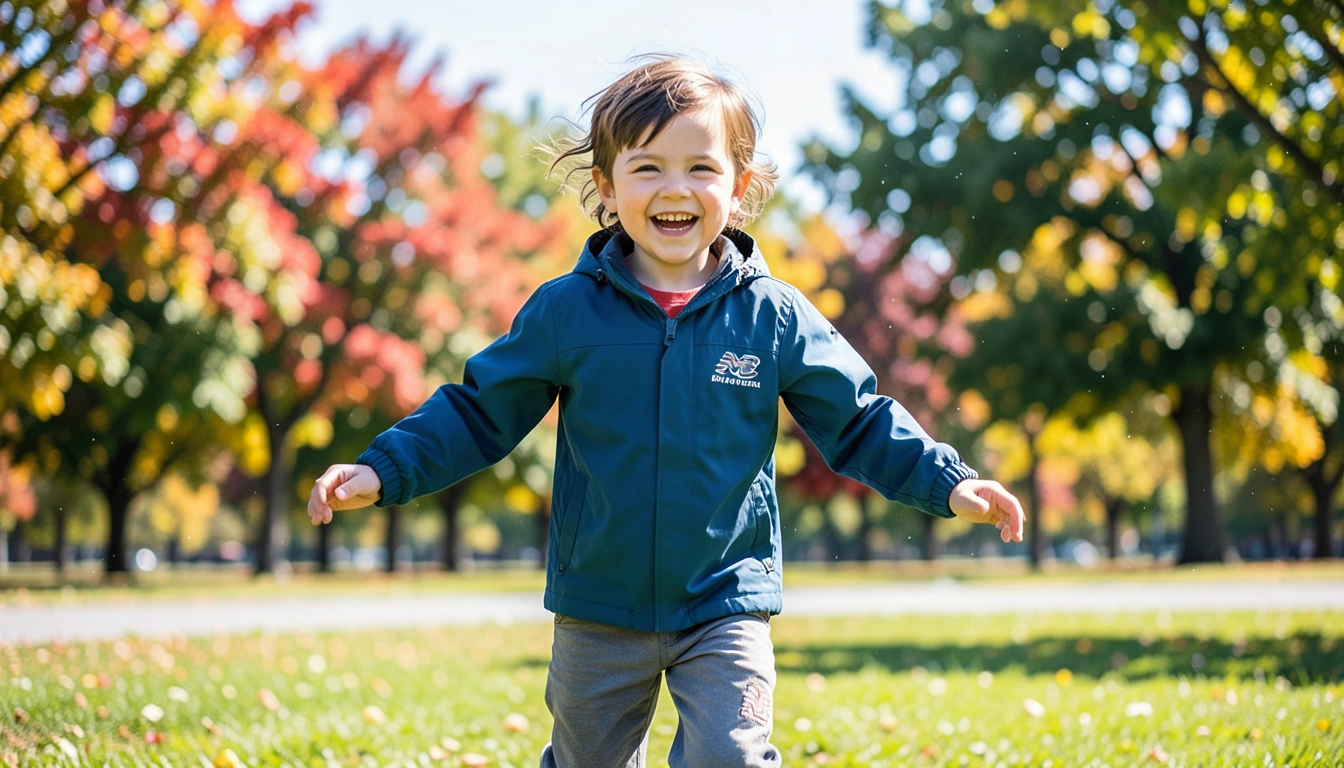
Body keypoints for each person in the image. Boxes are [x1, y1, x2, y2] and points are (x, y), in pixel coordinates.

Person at [307, 54, 1025, 768]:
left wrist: (948, 481)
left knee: (729, 757)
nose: (675, 188)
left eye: (700, 168)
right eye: (648, 167)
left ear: (737, 187)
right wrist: (384, 469)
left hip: (724, 602)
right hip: (599, 605)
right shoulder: (566, 311)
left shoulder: (772, 316)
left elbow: (860, 418)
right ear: (607, 187)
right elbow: (475, 413)